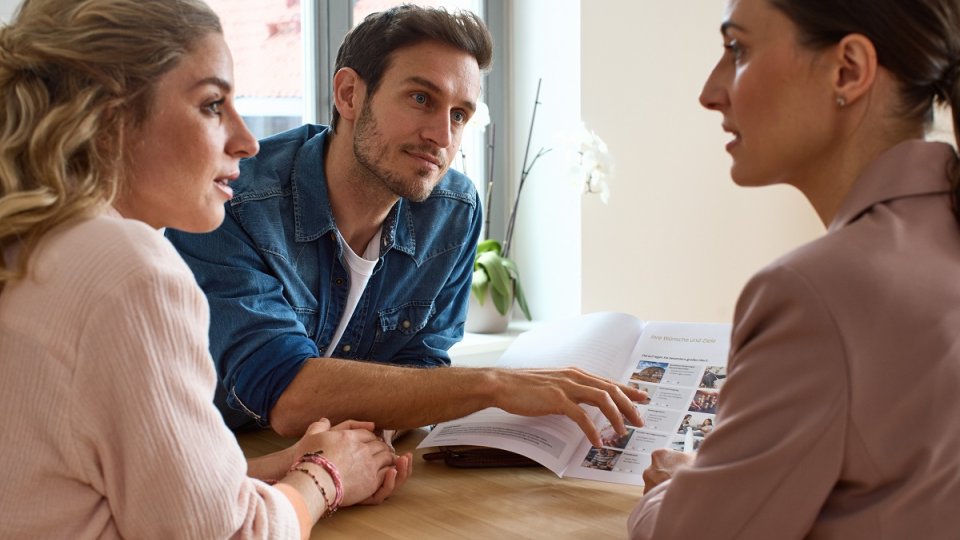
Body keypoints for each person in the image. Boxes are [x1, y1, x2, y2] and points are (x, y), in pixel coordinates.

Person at [0, 1, 410, 537]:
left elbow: (123, 494)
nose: (247, 140)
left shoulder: (29, 243)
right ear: (109, 116)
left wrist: (278, 468)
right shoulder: (129, 271)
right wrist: (329, 475)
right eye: (213, 104)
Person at [166, 4, 644, 446]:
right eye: (421, 98)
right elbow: (284, 392)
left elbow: (422, 361)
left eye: (460, 114)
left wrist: (377, 433)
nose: (442, 135)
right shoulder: (232, 200)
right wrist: (495, 385)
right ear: (349, 94)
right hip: (209, 468)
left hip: (340, 467)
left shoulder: (452, 211)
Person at [629, 0, 960, 538]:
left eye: (738, 49)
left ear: (848, 70)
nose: (710, 92)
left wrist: (674, 489)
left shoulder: (815, 292)